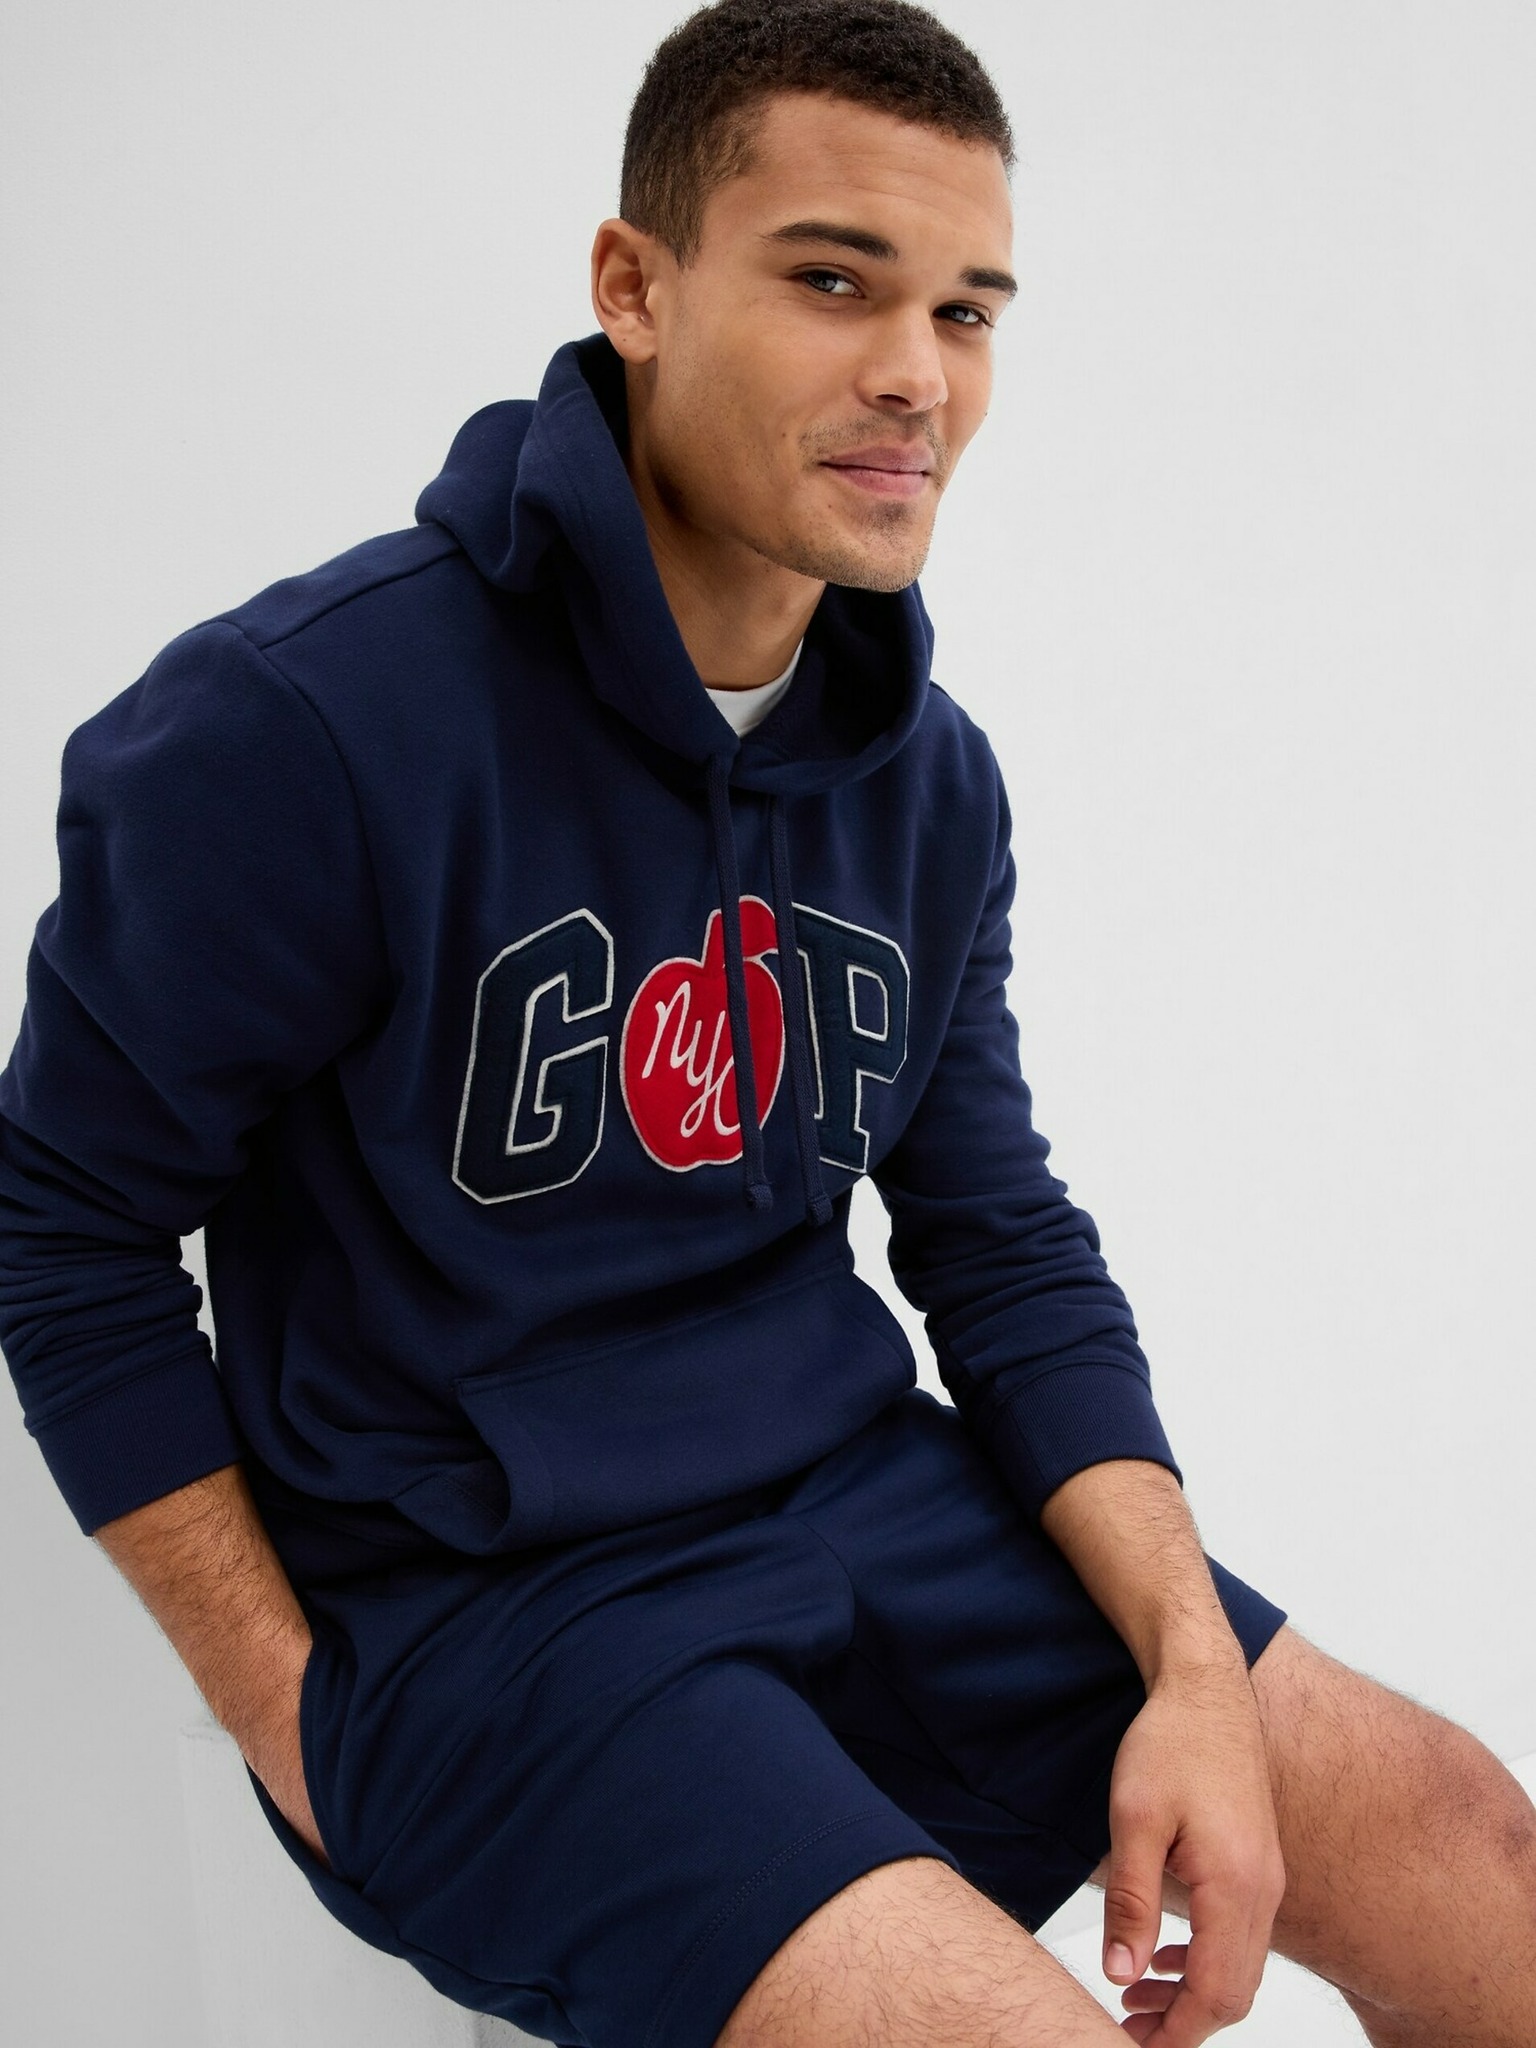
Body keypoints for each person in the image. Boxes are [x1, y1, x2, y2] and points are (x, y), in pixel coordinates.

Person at [1, 2, 1531, 2043]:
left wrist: (1190, 1666)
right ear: (635, 287)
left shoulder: (927, 778)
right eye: (833, 281)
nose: (918, 372)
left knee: (1467, 1841)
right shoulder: (305, 725)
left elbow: (995, 1235)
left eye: (966, 310)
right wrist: (291, 1716)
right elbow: (62, 1227)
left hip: (857, 1500)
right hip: (491, 1606)